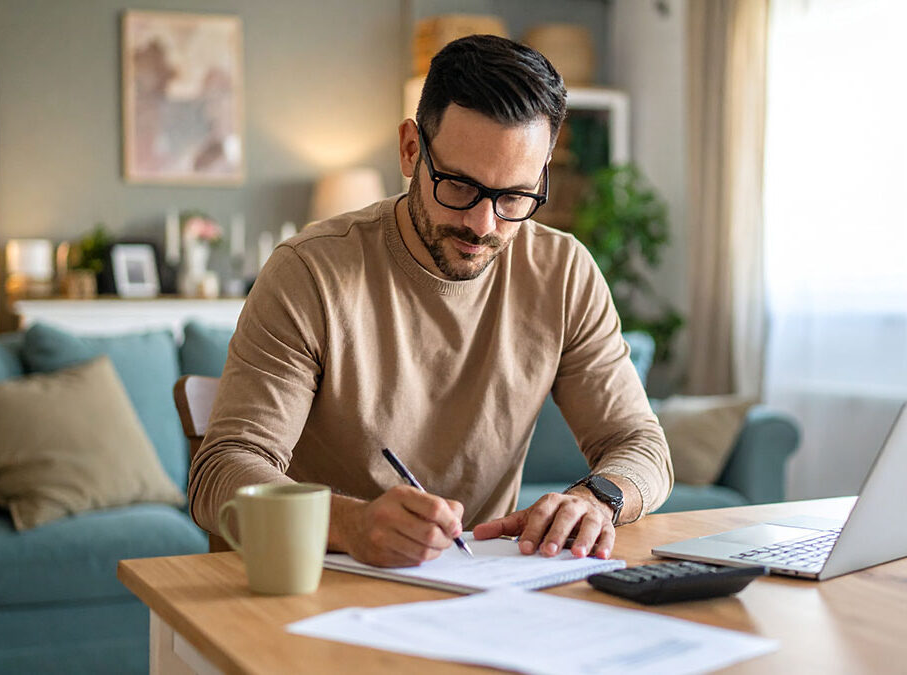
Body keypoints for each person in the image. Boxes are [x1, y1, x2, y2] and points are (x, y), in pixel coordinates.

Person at [189, 35, 673, 568]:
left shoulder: (564, 273)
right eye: (460, 186)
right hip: (326, 580)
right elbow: (223, 471)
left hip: (484, 588)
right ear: (410, 150)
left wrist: (596, 499)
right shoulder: (310, 272)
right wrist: (351, 524)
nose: (483, 225)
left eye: (514, 196)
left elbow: (640, 445)